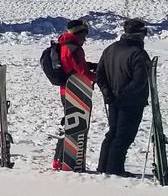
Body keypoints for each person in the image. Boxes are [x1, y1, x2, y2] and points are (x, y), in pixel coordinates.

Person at [96, 19, 152, 176]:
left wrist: (108, 92)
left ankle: (104, 166)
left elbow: (100, 74)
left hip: (114, 99)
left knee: (113, 133)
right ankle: (114, 168)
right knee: (123, 136)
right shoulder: (138, 53)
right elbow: (140, 79)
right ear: (141, 34)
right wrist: (121, 94)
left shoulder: (110, 49)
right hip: (131, 102)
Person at [51, 18, 97, 169]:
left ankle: (59, 159)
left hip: (66, 89)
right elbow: (82, 72)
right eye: (84, 34)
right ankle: (67, 159)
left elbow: (73, 66)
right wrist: (100, 77)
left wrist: (93, 66)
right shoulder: (75, 48)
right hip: (76, 91)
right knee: (76, 127)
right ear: (79, 33)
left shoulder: (64, 44)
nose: (85, 39)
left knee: (69, 124)